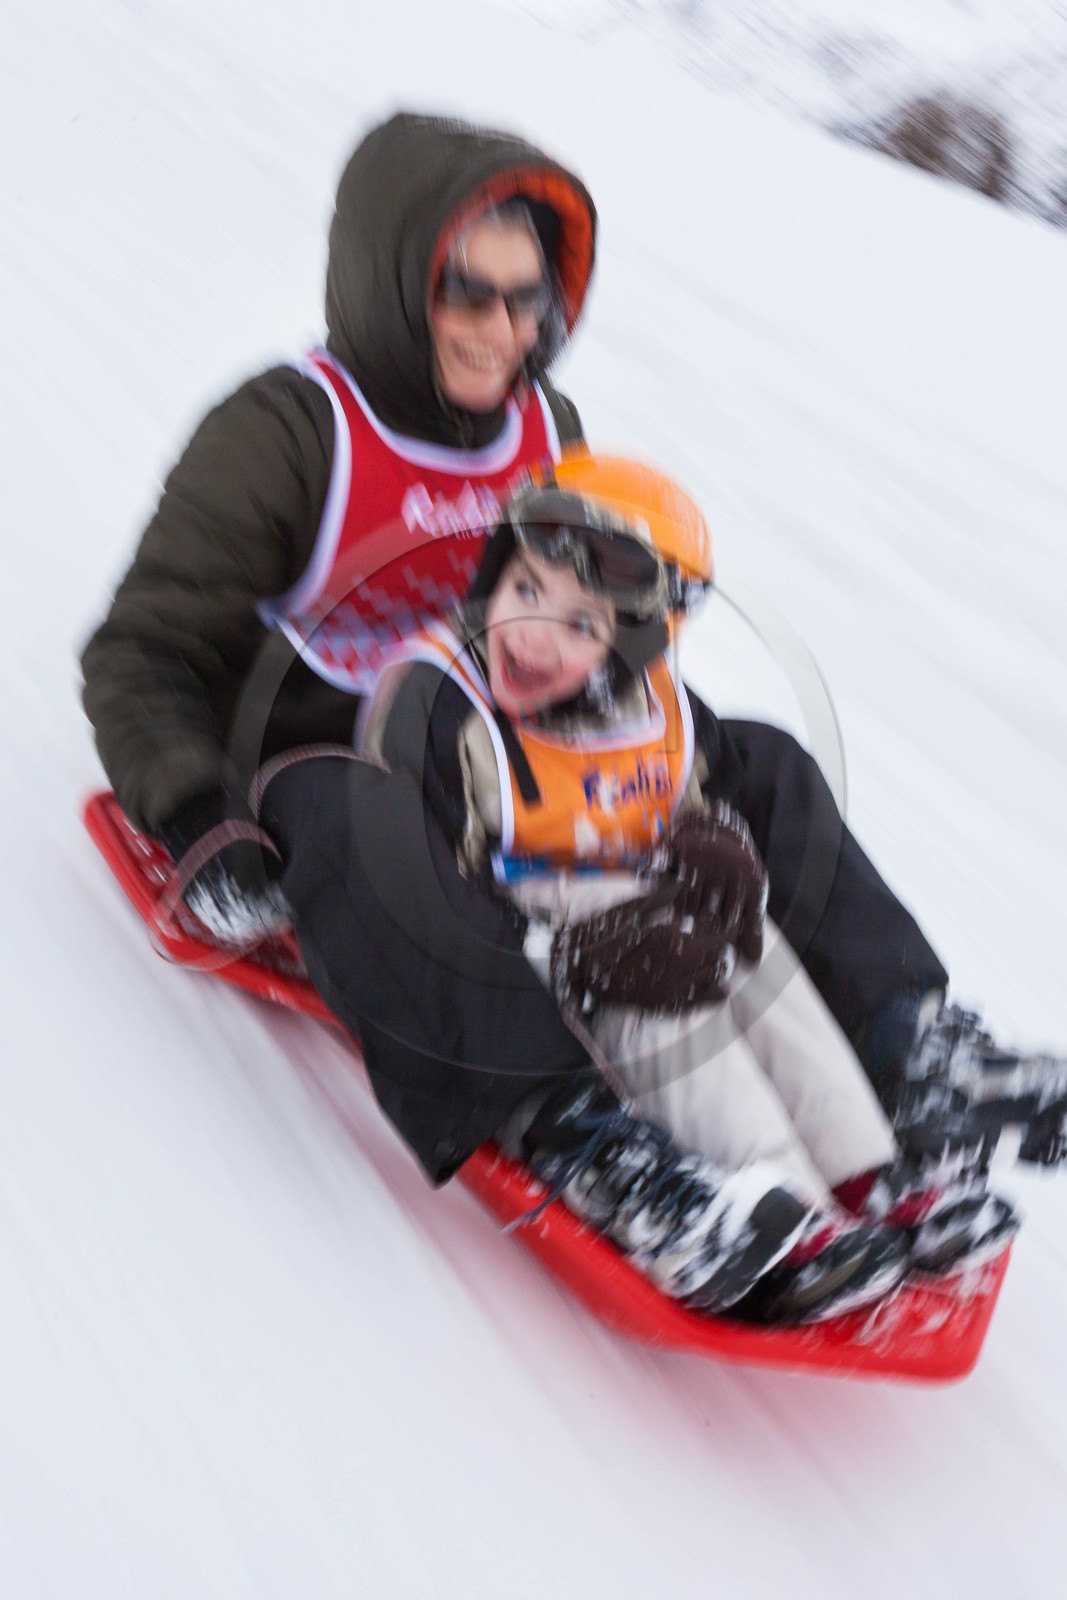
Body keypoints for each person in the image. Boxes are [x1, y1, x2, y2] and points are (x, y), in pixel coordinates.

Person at [80, 109, 1065, 1207]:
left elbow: (606, 622)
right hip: (353, 764)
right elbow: (144, 647)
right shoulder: (290, 433)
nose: (499, 328)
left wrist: (663, 773)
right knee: (349, 812)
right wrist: (198, 818)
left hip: (522, 755)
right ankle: (569, 1128)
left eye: (525, 299)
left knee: (764, 763)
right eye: (466, 292)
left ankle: (909, 1049)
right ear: (393, 285)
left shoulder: (547, 429)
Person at [349, 453, 1019, 1321]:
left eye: (580, 624)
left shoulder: (656, 710)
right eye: (523, 589)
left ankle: (866, 1171)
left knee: (750, 948)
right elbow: (416, 891)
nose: (532, 634)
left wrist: (713, 846)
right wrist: (564, 954)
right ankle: (784, 1206)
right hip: (539, 964)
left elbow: (693, 797)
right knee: (669, 1000)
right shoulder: (441, 709)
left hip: (643, 914)